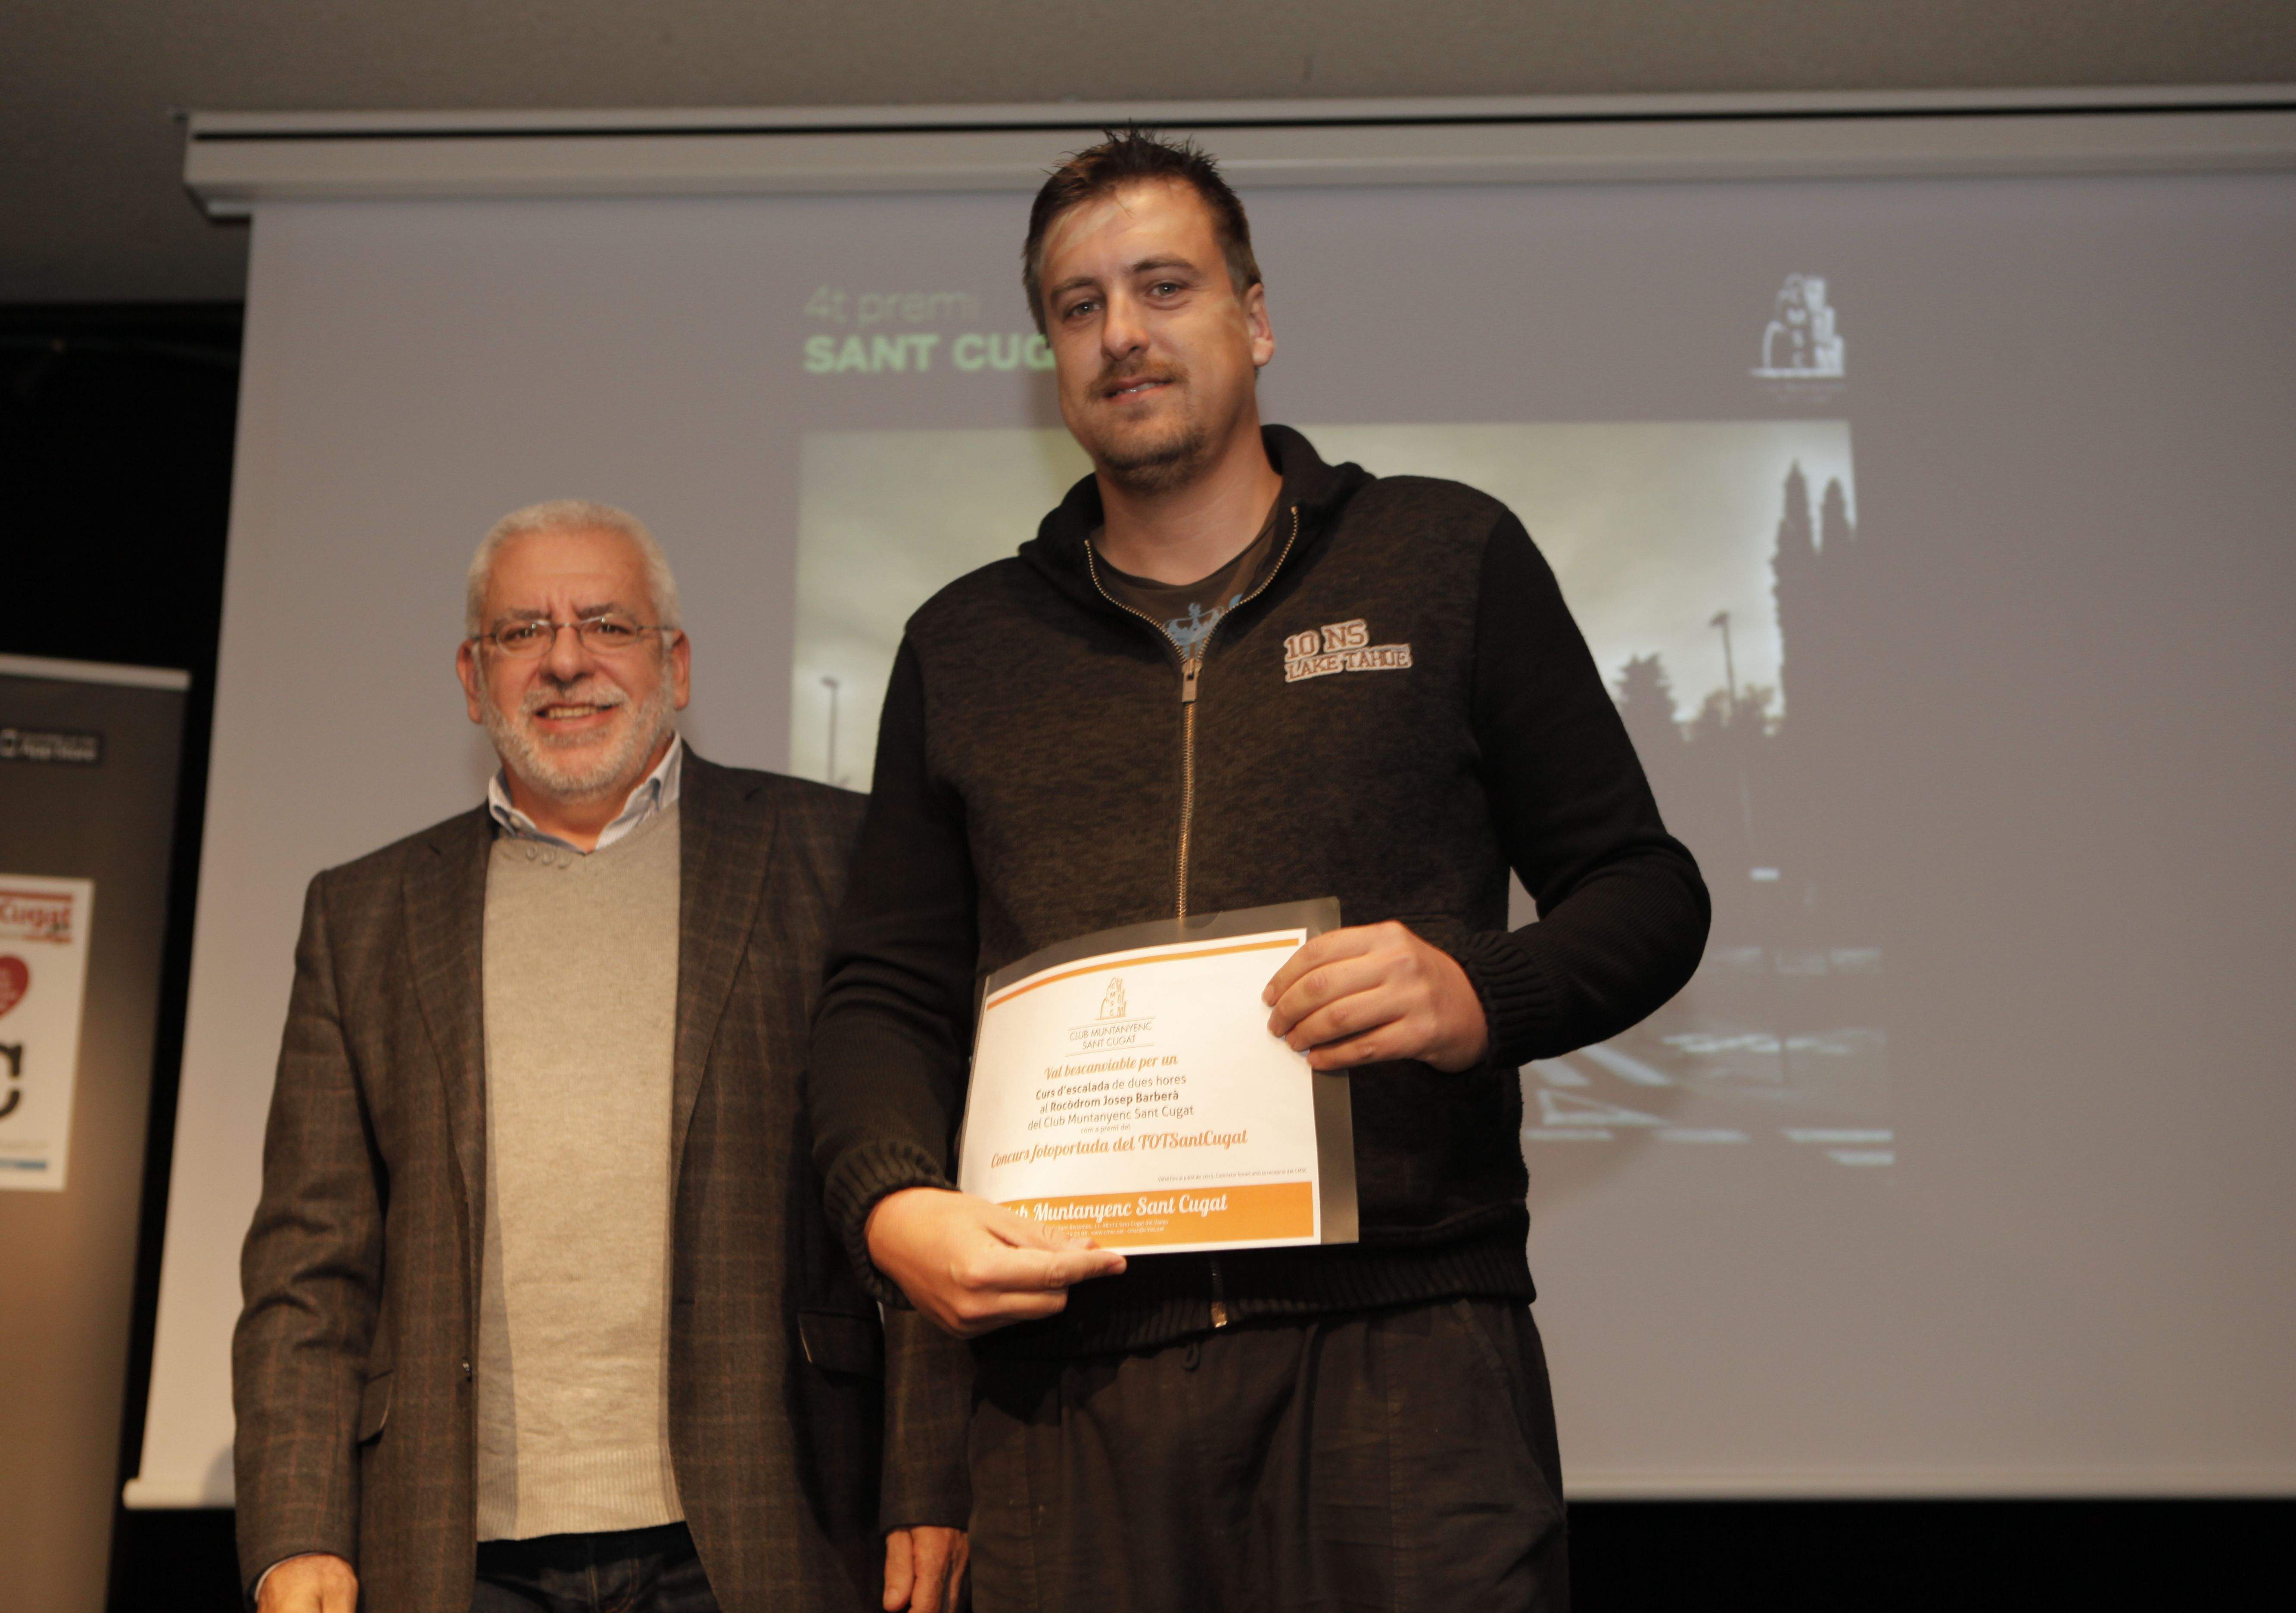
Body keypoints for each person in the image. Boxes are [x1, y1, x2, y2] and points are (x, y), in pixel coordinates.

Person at [808, 131, 1711, 1611]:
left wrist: (1473, 991)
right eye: (1080, 306)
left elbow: (1647, 894)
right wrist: (891, 1208)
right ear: (1052, 357)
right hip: (1068, 1395)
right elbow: (884, 998)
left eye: (1164, 286)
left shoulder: (1446, 558)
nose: (1123, 331)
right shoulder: (963, 646)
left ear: (1256, 316)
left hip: (1406, 1369)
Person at [234, 501, 969, 1613]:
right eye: (522, 631)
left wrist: (932, 1475)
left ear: (676, 663)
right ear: (473, 678)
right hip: (453, 1551)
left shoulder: (835, 854)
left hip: (774, 1521)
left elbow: (924, 1176)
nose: (566, 661)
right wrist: (297, 1532)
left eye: (608, 625)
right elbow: (309, 1267)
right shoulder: (363, 913)